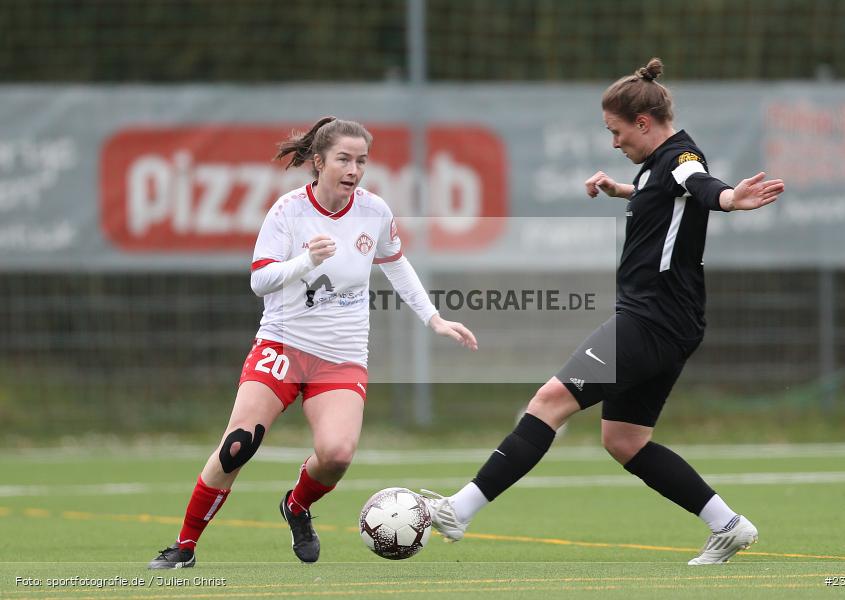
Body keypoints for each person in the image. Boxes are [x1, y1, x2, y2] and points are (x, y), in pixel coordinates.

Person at [421, 58, 784, 565]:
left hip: (651, 319)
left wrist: (727, 198)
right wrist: (624, 190)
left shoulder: (682, 157)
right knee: (625, 440)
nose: (614, 142)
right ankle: (728, 525)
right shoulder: (656, 166)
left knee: (549, 401)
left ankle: (458, 510)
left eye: (616, 131)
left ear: (643, 122)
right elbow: (669, 194)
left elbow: (698, 183)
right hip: (671, 321)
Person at [148, 117, 478, 569]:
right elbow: (260, 280)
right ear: (319, 162)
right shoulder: (287, 211)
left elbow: (396, 264)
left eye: (361, 161)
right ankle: (183, 547)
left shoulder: (374, 211)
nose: (354, 170)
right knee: (238, 444)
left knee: (337, 455)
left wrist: (434, 318)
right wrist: (306, 260)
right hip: (282, 347)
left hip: (341, 357)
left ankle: (297, 506)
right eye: (344, 159)